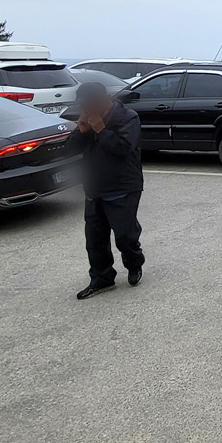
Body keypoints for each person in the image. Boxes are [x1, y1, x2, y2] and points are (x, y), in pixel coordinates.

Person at [69, 80, 146, 300]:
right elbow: (70, 149)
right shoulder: (87, 119)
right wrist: (81, 131)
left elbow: (122, 148)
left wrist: (101, 129)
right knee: (94, 239)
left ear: (104, 99)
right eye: (84, 105)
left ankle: (134, 264)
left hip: (123, 187)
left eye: (90, 104)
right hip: (94, 188)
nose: (87, 109)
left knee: (125, 236)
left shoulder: (127, 118)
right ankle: (102, 278)